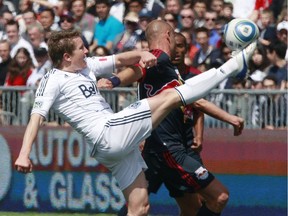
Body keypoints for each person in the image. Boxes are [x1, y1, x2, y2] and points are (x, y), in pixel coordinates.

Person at [15, 29, 256, 216]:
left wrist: (140, 54)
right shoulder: (52, 80)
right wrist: (25, 154)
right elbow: (36, 117)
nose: (87, 50)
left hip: (112, 147)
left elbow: (119, 59)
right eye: (81, 48)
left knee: (139, 208)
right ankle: (232, 66)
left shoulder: (86, 67)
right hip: (109, 133)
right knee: (170, 96)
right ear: (67, 56)